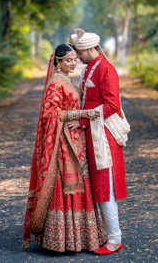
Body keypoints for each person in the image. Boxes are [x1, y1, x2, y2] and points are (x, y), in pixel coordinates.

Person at [23, 44, 104, 252]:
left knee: (80, 185)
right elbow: (50, 114)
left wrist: (80, 116)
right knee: (64, 186)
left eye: (75, 59)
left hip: (76, 142)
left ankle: (81, 238)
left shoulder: (67, 79)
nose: (74, 63)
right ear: (58, 61)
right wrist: (81, 114)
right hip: (63, 143)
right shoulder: (55, 82)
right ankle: (61, 239)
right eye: (68, 60)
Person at [67, 28, 128, 256]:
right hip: (94, 134)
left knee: (106, 188)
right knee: (99, 189)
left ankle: (115, 240)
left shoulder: (107, 69)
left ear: (90, 48)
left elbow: (112, 106)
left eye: (80, 52)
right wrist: (82, 120)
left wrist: (83, 118)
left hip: (105, 139)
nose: (78, 57)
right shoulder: (91, 68)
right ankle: (110, 236)